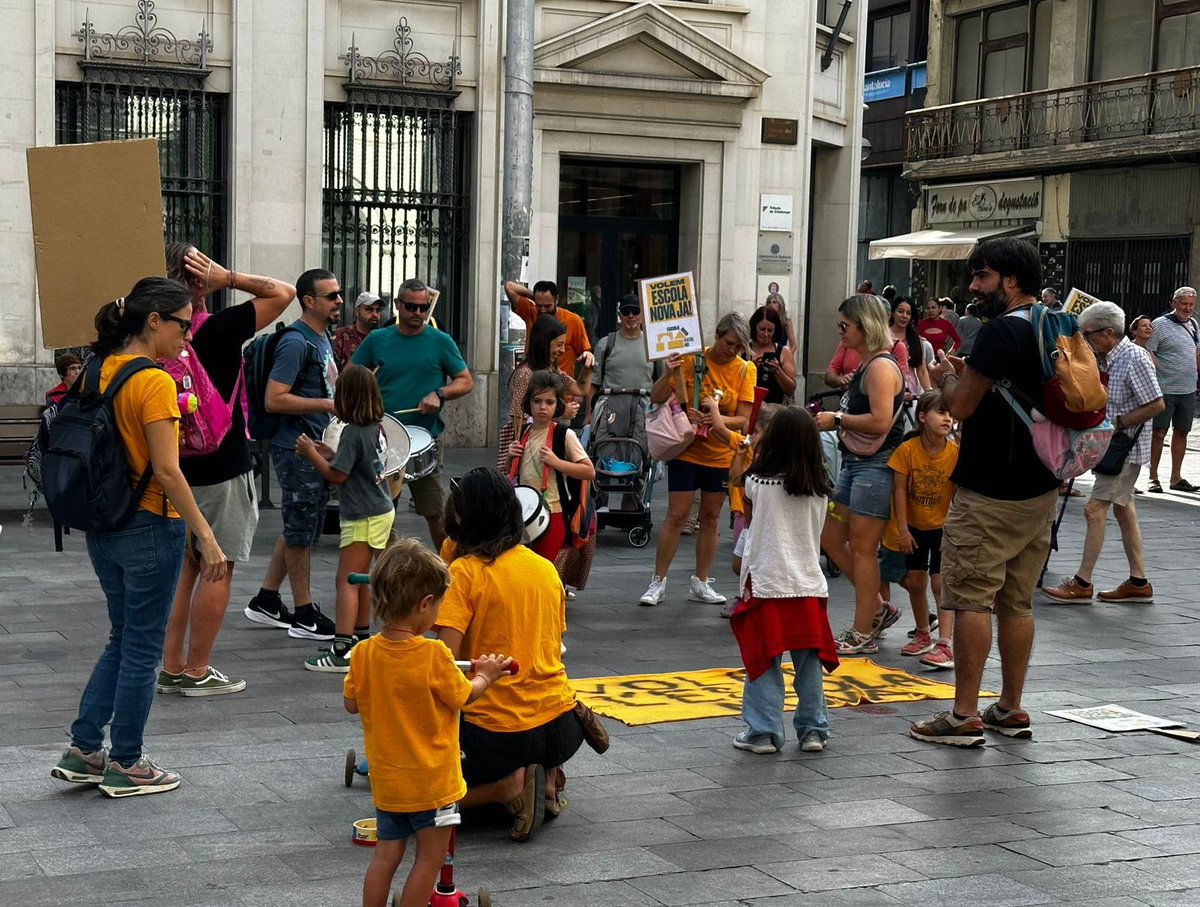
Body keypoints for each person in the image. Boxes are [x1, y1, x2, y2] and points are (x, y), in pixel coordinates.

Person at [50, 278, 227, 798]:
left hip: (102, 523)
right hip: (151, 523)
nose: (187, 337)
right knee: (142, 647)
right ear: (154, 321)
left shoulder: (95, 369)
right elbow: (169, 472)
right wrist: (207, 537)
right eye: (183, 323)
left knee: (122, 637)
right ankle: (126, 760)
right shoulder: (154, 382)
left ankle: (84, 749)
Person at [909, 237, 1061, 747]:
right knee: (1017, 602)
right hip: (1041, 486)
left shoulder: (999, 332)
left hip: (990, 488)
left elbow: (962, 407)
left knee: (970, 597)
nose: (973, 286)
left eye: (982, 277)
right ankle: (1011, 707)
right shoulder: (1054, 324)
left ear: (1010, 280)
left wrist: (943, 380)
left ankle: (963, 714)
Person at [159, 244, 295, 697]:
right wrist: (230, 278)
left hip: (171, 467)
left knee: (182, 568)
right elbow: (283, 292)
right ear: (201, 283)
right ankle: (197, 670)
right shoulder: (217, 329)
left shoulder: (153, 334)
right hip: (223, 464)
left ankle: (170, 664)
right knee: (217, 565)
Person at [344, 539, 510, 907]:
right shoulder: (433, 654)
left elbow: (351, 703)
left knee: (385, 858)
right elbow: (465, 695)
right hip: (432, 784)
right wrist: (487, 674)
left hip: (389, 783)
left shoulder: (364, 653)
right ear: (424, 604)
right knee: (429, 859)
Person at [434, 468, 594, 843]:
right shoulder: (544, 568)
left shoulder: (466, 572)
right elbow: (551, 645)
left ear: (461, 516)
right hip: (563, 728)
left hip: (497, 735)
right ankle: (547, 775)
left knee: (421, 800)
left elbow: (442, 662)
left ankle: (507, 787)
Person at [726, 407, 839, 755]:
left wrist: (743, 453)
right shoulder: (820, 486)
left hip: (767, 581)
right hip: (807, 583)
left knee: (764, 657)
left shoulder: (758, 482)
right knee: (808, 663)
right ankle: (813, 729)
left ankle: (763, 731)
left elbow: (737, 484)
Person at [1042, 302, 1164, 604]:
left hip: (1125, 448)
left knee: (1094, 510)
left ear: (1108, 333)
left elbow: (1156, 404)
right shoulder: (1110, 358)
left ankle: (1082, 583)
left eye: (1089, 335)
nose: (1087, 342)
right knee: (1124, 509)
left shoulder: (1133, 357)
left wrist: (1118, 424)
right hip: (1114, 446)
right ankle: (1138, 581)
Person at [244, 269, 341, 640]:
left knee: (299, 525)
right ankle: (304, 614)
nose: (338, 301)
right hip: (296, 448)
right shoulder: (296, 343)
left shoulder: (321, 337)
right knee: (301, 533)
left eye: (338, 294)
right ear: (309, 301)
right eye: (330, 296)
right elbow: (275, 398)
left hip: (314, 444)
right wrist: (329, 403)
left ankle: (266, 600)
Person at [640, 313, 757, 607]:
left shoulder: (745, 370)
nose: (732, 350)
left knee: (711, 517)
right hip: (687, 448)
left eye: (739, 346)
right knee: (676, 515)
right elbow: (655, 396)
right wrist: (667, 373)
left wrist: (716, 418)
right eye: (728, 342)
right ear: (717, 336)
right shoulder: (693, 359)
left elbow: (743, 419)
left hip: (719, 454)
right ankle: (658, 581)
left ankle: (701, 582)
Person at [812, 294, 905, 655]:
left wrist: (836, 419)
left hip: (876, 466)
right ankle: (878, 609)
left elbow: (881, 420)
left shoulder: (881, 368)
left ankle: (862, 631)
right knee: (831, 537)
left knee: (864, 550)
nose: (840, 333)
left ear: (864, 326)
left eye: (844, 326)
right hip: (857, 464)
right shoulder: (869, 365)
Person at [351, 278, 474, 549]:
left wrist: (439, 394)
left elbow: (465, 380)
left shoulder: (440, 341)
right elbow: (351, 375)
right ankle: (388, 573)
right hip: (383, 438)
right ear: (397, 305)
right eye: (411, 307)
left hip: (424, 437)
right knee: (382, 512)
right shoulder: (377, 340)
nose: (418, 313)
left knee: (435, 512)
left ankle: (449, 571)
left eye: (423, 307)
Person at [295, 364, 396, 672]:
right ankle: (362, 638)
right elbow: (355, 464)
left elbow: (338, 475)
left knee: (346, 581)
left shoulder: (353, 432)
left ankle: (342, 648)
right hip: (380, 509)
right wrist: (328, 452)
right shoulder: (374, 427)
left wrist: (311, 454)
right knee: (361, 579)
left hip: (362, 515)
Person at [886, 390, 958, 666]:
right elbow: (899, 491)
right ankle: (923, 633)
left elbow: (957, 496)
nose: (947, 418)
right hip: (914, 526)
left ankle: (946, 644)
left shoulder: (954, 454)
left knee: (940, 583)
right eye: (941, 412)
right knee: (916, 582)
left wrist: (951, 530)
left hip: (943, 527)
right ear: (922, 417)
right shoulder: (907, 450)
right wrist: (902, 530)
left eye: (950, 414)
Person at [506, 370, 595, 563]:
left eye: (549, 402)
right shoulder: (524, 432)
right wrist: (509, 458)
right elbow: (511, 473)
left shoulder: (564, 434)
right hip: (524, 513)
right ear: (528, 403)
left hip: (553, 512)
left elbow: (589, 471)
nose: (542, 407)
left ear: (558, 405)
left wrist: (557, 463)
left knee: (544, 569)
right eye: (537, 401)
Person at [498, 315, 581, 468]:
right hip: (529, 450)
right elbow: (519, 418)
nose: (562, 350)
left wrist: (588, 368)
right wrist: (560, 412)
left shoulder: (553, 370)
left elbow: (581, 389)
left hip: (546, 445)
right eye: (559, 345)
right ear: (544, 344)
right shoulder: (526, 374)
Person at [1145, 286, 1199, 494]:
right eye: (1184, 304)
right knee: (1158, 432)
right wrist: (1161, 370)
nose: (1187, 308)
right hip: (1165, 388)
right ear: (1173, 303)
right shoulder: (1159, 325)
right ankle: (1153, 477)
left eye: (1191, 305)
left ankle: (1176, 477)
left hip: (1187, 388)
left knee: (1183, 431)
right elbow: (1148, 350)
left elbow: (1196, 351)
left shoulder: (1194, 324)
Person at [504, 279, 594, 380]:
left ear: (556, 300)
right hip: (533, 386)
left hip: (562, 388)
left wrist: (588, 357)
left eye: (547, 306)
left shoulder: (573, 321)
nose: (543, 310)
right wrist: (534, 297)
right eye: (539, 305)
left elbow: (584, 353)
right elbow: (509, 287)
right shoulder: (531, 312)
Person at [591, 295, 659, 392]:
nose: (631, 316)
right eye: (626, 312)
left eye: (635, 311)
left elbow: (663, 381)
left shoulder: (653, 344)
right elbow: (593, 382)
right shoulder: (605, 344)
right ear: (619, 315)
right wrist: (591, 407)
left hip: (645, 404)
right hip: (610, 404)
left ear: (643, 314)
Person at [748, 306, 797, 403]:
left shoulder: (783, 352)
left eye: (770, 331)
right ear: (754, 327)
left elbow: (791, 389)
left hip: (774, 410)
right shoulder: (743, 349)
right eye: (762, 329)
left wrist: (777, 370)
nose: (766, 334)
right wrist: (750, 369)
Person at [889, 297, 930, 397]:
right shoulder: (883, 335)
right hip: (888, 388)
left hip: (911, 392)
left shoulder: (916, 339)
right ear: (893, 313)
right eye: (900, 311)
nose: (904, 316)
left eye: (908, 313)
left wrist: (929, 392)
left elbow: (921, 369)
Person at [332, 291, 384, 370]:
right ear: (357, 311)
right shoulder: (342, 335)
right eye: (369, 309)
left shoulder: (382, 338)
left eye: (378, 310)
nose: (374, 314)